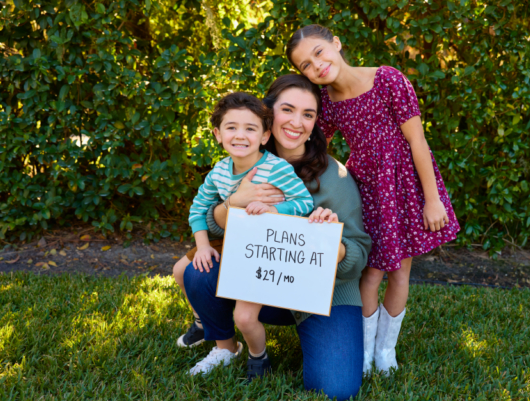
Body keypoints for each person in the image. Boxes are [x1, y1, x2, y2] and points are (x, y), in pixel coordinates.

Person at [177, 74, 371, 399]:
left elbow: (357, 257)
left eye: (308, 114)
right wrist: (233, 203)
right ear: (269, 114)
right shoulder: (244, 158)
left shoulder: (335, 177)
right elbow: (212, 223)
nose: (297, 122)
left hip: (324, 294)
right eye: (288, 109)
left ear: (315, 123)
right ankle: (227, 346)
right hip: (262, 278)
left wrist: (331, 246)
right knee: (197, 272)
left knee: (335, 390)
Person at [286, 24, 461, 375]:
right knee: (371, 274)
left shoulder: (387, 80)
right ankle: (363, 352)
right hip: (366, 190)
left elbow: (417, 142)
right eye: (305, 65)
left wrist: (432, 199)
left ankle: (386, 351)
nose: (316, 65)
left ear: (336, 43)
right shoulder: (327, 104)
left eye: (319, 52)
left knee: (399, 272)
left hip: (404, 188)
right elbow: (312, 144)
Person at [185, 91, 314, 379]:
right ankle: (221, 342)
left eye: (250, 128)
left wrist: (275, 210)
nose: (240, 135)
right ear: (218, 134)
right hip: (237, 253)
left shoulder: (276, 169)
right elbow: (198, 209)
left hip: (267, 256)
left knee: (245, 317)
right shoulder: (218, 173)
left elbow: (305, 203)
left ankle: (259, 357)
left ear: (265, 136)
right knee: (187, 270)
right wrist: (203, 245)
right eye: (231, 128)